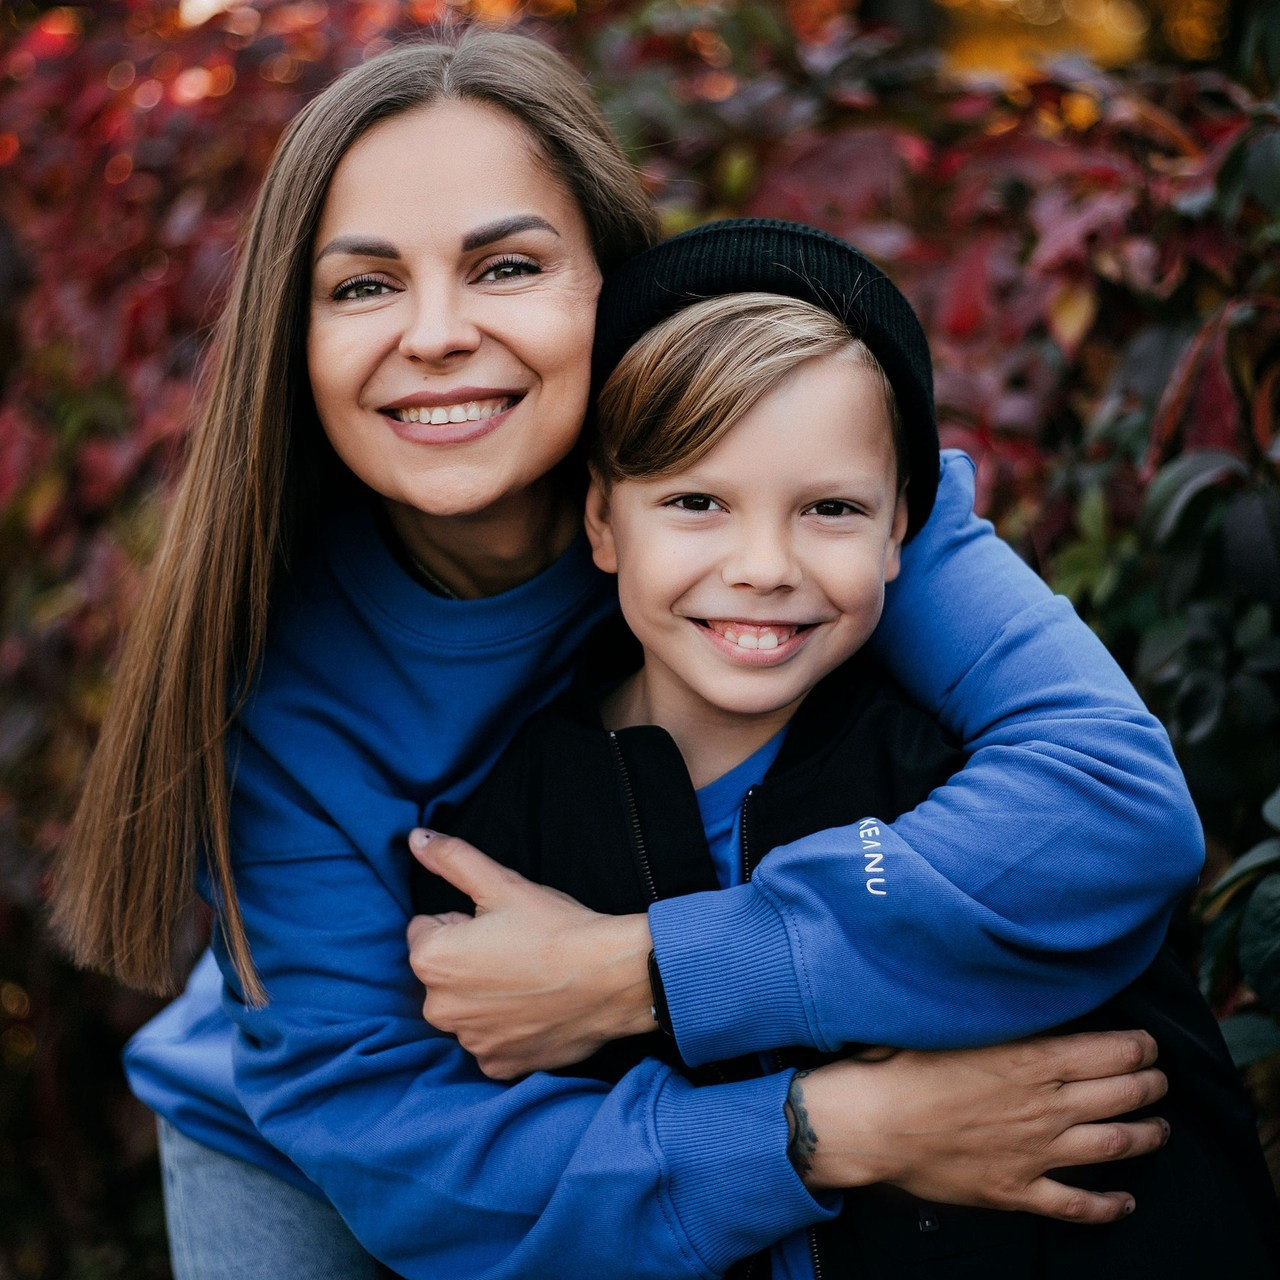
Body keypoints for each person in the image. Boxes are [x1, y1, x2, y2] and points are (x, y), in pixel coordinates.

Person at [51, 31, 1194, 1280]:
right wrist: (825, 1131)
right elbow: (402, 1148)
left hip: (655, 1075)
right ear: (294, 335)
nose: (435, 333)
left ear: (610, 281)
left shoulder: (773, 500)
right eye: (363, 285)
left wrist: (637, 972)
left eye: (506, 264)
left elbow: (1109, 803)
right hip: (326, 1129)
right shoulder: (274, 681)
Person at [410, 220, 1279, 1278]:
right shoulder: (511, 836)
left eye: (829, 508)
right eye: (695, 502)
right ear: (601, 519)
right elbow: (490, 1188)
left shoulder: (950, 777)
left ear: (898, 530)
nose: (764, 564)